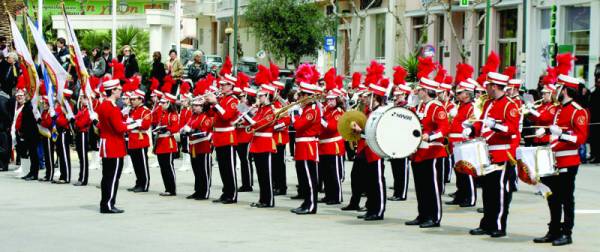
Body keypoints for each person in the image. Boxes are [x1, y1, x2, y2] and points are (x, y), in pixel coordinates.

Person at [533, 74, 589, 246]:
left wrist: (561, 134)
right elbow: (554, 130)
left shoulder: (578, 111)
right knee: (552, 197)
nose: (555, 90)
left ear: (565, 90)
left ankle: (567, 233)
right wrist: (546, 132)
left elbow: (580, 138)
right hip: (553, 159)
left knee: (566, 198)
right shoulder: (558, 109)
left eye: (558, 87)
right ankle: (554, 229)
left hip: (568, 161)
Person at [464, 70, 519, 238]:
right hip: (487, 153)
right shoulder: (489, 103)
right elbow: (482, 126)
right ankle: (487, 223)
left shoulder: (510, 105)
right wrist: (471, 129)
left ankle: (499, 226)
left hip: (502, 154)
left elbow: (512, 129)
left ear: (494, 86)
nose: (485, 88)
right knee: (488, 191)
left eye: (488, 85)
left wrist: (495, 125)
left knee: (500, 192)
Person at [406, 74, 449, 228]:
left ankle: (434, 217)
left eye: (420, 89)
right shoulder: (418, 107)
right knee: (421, 186)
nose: (418, 91)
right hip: (418, 153)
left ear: (426, 91)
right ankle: (423, 214)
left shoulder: (437, 107)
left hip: (432, 152)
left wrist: (429, 136)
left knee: (432, 187)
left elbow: (444, 128)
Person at [97, 79, 135, 214]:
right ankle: (108, 204)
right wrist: (133, 125)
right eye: (118, 89)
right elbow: (119, 128)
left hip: (107, 144)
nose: (120, 91)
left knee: (107, 176)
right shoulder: (111, 107)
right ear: (112, 90)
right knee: (113, 177)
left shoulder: (103, 105)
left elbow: (101, 125)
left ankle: (105, 203)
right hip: (114, 145)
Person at [289, 75, 321, 215]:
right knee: (303, 177)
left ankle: (311, 205)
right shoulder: (307, 109)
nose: (299, 97)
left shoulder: (311, 110)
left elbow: (298, 125)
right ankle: (306, 202)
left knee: (309, 178)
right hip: (302, 146)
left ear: (308, 96)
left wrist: (294, 112)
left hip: (308, 147)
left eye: (302, 95)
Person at [205, 73, 239, 204]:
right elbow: (210, 114)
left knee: (229, 168)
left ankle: (232, 195)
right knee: (223, 168)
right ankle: (226, 193)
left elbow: (226, 116)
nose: (221, 86)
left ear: (231, 86)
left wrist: (215, 103)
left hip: (227, 136)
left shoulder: (233, 100)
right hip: (218, 137)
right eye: (221, 84)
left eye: (224, 85)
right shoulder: (222, 99)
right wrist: (208, 103)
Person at [446, 80, 477, 207]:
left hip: (464, 143)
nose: (457, 95)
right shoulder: (459, 106)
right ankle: (460, 195)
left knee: (467, 171)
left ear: (467, 94)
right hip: (455, 143)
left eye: (460, 93)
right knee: (458, 172)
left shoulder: (472, 107)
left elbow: (472, 123)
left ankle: (470, 198)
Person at [246, 84, 278, 208]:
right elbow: (254, 123)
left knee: (266, 175)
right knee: (260, 175)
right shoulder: (261, 109)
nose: (259, 98)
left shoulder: (271, 109)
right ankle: (262, 199)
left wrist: (251, 120)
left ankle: (269, 200)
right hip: (257, 143)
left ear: (268, 96)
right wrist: (249, 113)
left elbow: (262, 124)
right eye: (258, 96)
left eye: (261, 96)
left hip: (265, 143)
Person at [318, 84, 345, 205]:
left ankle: (337, 196)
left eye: (332, 99)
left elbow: (331, 127)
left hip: (333, 146)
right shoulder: (327, 110)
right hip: (323, 146)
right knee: (326, 174)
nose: (329, 101)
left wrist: (321, 117)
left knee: (334, 174)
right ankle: (329, 195)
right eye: (328, 99)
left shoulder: (338, 112)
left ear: (337, 100)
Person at [184, 94, 214, 200]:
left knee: (204, 171)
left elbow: (204, 132)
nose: (195, 107)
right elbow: (187, 127)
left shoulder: (206, 117)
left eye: (198, 106)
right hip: (193, 146)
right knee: (196, 170)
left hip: (203, 146)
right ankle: (198, 190)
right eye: (194, 105)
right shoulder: (193, 116)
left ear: (203, 107)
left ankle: (204, 192)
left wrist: (192, 131)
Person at [388, 83, 412, 201]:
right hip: (394, 141)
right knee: (395, 168)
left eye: (399, 95)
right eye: (395, 95)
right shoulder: (394, 107)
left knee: (402, 169)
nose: (396, 97)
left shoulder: (408, 108)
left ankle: (401, 193)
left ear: (405, 95)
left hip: (403, 142)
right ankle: (397, 191)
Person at [153, 93, 180, 196]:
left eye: (163, 102)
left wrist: (167, 129)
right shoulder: (163, 113)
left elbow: (175, 127)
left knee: (168, 167)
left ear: (169, 103)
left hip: (168, 143)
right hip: (161, 142)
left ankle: (172, 189)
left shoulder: (173, 115)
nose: (161, 104)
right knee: (163, 167)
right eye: (161, 102)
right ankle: (167, 188)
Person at [126, 89, 152, 192]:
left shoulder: (145, 111)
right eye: (131, 99)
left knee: (142, 164)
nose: (131, 101)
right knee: (136, 164)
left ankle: (144, 184)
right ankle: (138, 183)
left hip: (140, 139)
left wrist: (135, 122)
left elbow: (146, 125)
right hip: (132, 139)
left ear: (140, 99)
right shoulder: (132, 110)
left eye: (134, 99)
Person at [14, 85, 40, 180]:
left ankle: (34, 173)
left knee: (33, 154)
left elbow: (29, 122)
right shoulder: (27, 105)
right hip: (28, 134)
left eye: (27, 94)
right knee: (31, 154)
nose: (26, 96)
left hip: (32, 134)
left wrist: (23, 131)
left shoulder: (31, 106)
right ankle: (31, 172)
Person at [53, 89, 74, 184]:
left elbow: (64, 122)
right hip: (58, 132)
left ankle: (66, 177)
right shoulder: (61, 106)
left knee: (64, 155)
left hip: (64, 132)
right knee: (60, 154)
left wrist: (55, 118)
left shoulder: (68, 107)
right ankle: (62, 175)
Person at [73, 95, 92, 186]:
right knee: (81, 157)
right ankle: (81, 177)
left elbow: (81, 124)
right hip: (79, 134)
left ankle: (83, 179)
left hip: (83, 133)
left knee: (83, 158)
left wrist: (76, 120)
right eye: (81, 98)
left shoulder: (88, 111)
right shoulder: (82, 110)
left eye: (84, 98)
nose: (82, 99)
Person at [588, 75, 600, 163]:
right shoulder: (593, 93)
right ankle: (594, 154)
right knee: (594, 139)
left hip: (598, 119)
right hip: (594, 119)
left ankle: (597, 156)